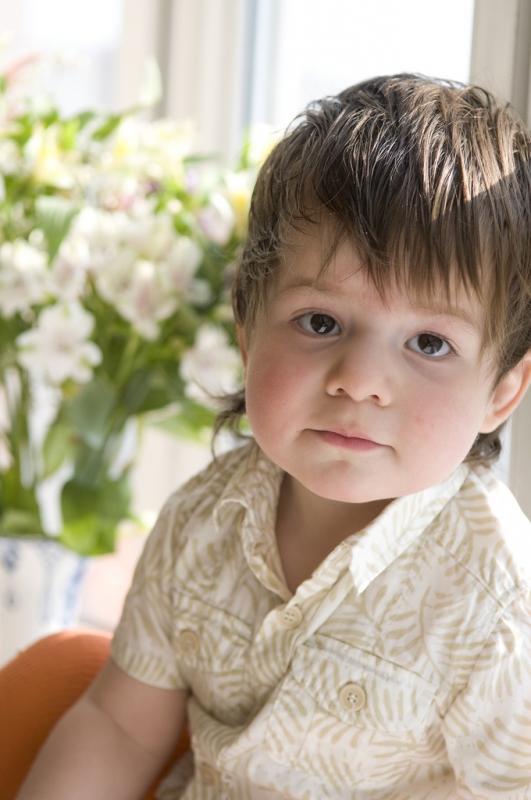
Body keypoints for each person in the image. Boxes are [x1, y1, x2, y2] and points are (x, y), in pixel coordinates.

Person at [16, 74, 531, 799]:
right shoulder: (198, 522)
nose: (360, 380)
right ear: (246, 331)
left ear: (501, 390)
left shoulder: (499, 605)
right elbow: (121, 725)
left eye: (428, 342)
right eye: (321, 322)